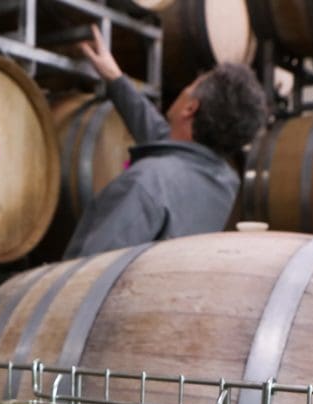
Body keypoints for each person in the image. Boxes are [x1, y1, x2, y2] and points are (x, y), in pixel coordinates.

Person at [62, 26, 268, 260]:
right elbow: (163, 138)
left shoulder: (146, 184)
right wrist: (115, 78)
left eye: (189, 88)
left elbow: (86, 275)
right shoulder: (223, 181)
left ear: (190, 108)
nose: (183, 91)